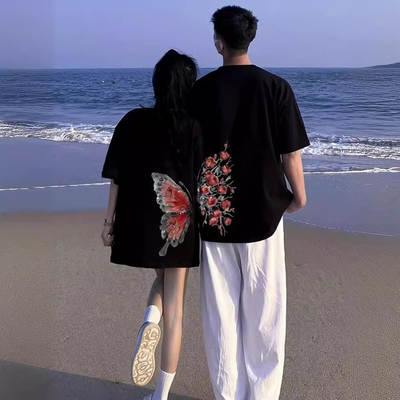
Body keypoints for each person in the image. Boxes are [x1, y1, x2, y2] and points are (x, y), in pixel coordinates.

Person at [190, 6, 310, 400]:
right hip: (264, 213)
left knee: (220, 314)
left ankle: (228, 394)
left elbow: (187, 153)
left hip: (215, 214)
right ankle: (262, 395)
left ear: (218, 42)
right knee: (265, 312)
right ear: (250, 38)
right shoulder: (275, 87)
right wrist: (299, 196)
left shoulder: (200, 91)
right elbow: (291, 153)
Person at [101, 49, 202, 400]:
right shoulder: (194, 127)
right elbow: (203, 179)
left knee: (161, 279)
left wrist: (109, 221)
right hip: (181, 223)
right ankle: (161, 394)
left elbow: (115, 175)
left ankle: (149, 321)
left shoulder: (132, 120)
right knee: (177, 309)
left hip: (143, 222)